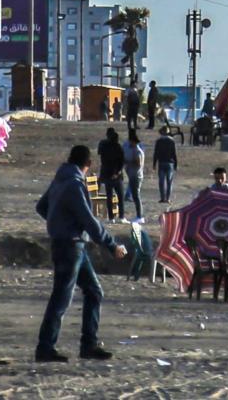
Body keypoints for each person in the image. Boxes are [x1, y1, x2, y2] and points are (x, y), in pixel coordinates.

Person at [35, 145, 127, 363]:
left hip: (71, 244)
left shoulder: (60, 178)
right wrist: (111, 245)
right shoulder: (75, 185)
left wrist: (57, 221)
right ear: (88, 165)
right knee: (61, 298)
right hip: (71, 245)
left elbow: (42, 207)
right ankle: (45, 347)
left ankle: (89, 345)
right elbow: (89, 220)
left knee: (94, 291)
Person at [98, 129, 126, 223]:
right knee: (120, 197)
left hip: (107, 174)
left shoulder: (104, 146)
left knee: (109, 197)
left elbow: (101, 157)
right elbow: (122, 162)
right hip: (117, 176)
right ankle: (121, 217)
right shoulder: (118, 147)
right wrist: (117, 172)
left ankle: (111, 218)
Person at [122, 129, 145, 223]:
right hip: (133, 175)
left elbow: (138, 163)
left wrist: (128, 162)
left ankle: (140, 216)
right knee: (135, 196)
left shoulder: (137, 151)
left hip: (136, 176)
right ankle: (139, 216)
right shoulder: (135, 150)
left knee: (136, 196)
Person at [153, 126, 178, 204]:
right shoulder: (171, 141)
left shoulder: (159, 141)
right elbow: (174, 153)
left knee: (161, 181)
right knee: (169, 182)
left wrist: (154, 163)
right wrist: (176, 164)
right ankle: (168, 198)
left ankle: (162, 198)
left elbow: (156, 153)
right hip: (170, 163)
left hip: (161, 162)